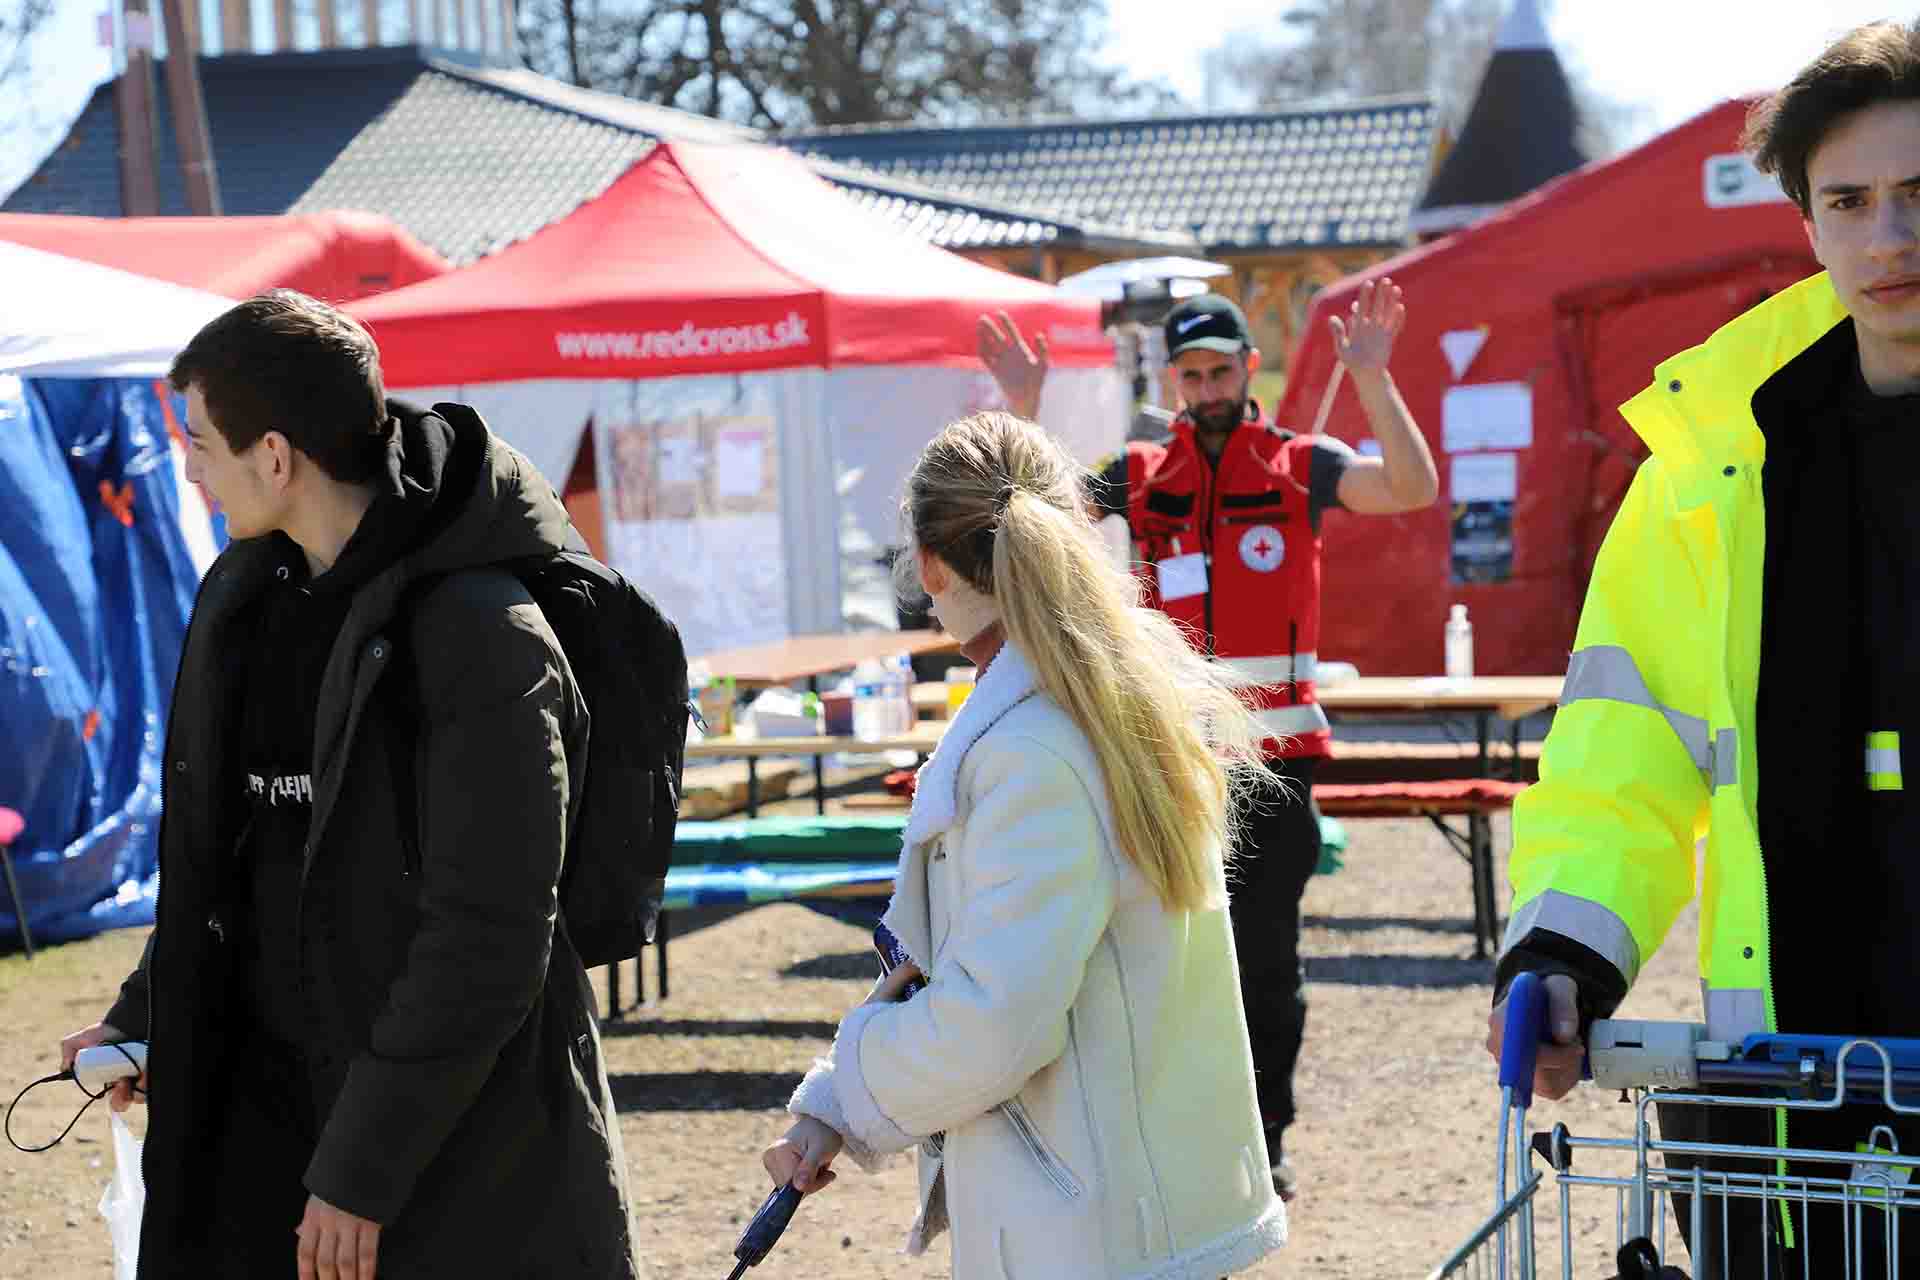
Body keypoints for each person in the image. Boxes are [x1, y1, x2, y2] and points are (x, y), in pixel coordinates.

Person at [54, 291, 642, 1279]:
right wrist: (148, 1009)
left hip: (466, 1161)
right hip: (274, 1136)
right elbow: (226, 851)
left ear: (274, 456)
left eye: (198, 441)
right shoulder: (249, 601)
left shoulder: (482, 634)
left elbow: (489, 934)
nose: (187, 468)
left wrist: (363, 1166)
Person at [1487, 20, 1920, 1276]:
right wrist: (1568, 947)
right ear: (1809, 224)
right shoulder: (1710, 468)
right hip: (1795, 1077)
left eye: (1918, 195)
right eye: (1851, 201)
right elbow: (1624, 745)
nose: (1891, 237)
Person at [760, 411, 1287, 1278]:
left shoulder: (1029, 750)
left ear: (931, 567)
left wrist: (849, 1091)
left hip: (1089, 1227)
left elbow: (989, 1026)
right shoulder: (1112, 703)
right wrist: (835, 1104)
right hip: (1136, 1207)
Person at [979, 282, 1440, 1198]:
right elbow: (1025, 520)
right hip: (1170, 767)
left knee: (1267, 965)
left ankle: (1264, 1140)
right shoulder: (1142, 473)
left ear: (1247, 368)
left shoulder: (1299, 465)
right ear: (1174, 380)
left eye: (1219, 369)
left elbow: (1412, 487)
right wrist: (1021, 410)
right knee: (1163, 959)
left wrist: (1374, 380)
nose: (1205, 386)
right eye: (1189, 374)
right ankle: (1178, 1132)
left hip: (1275, 772)